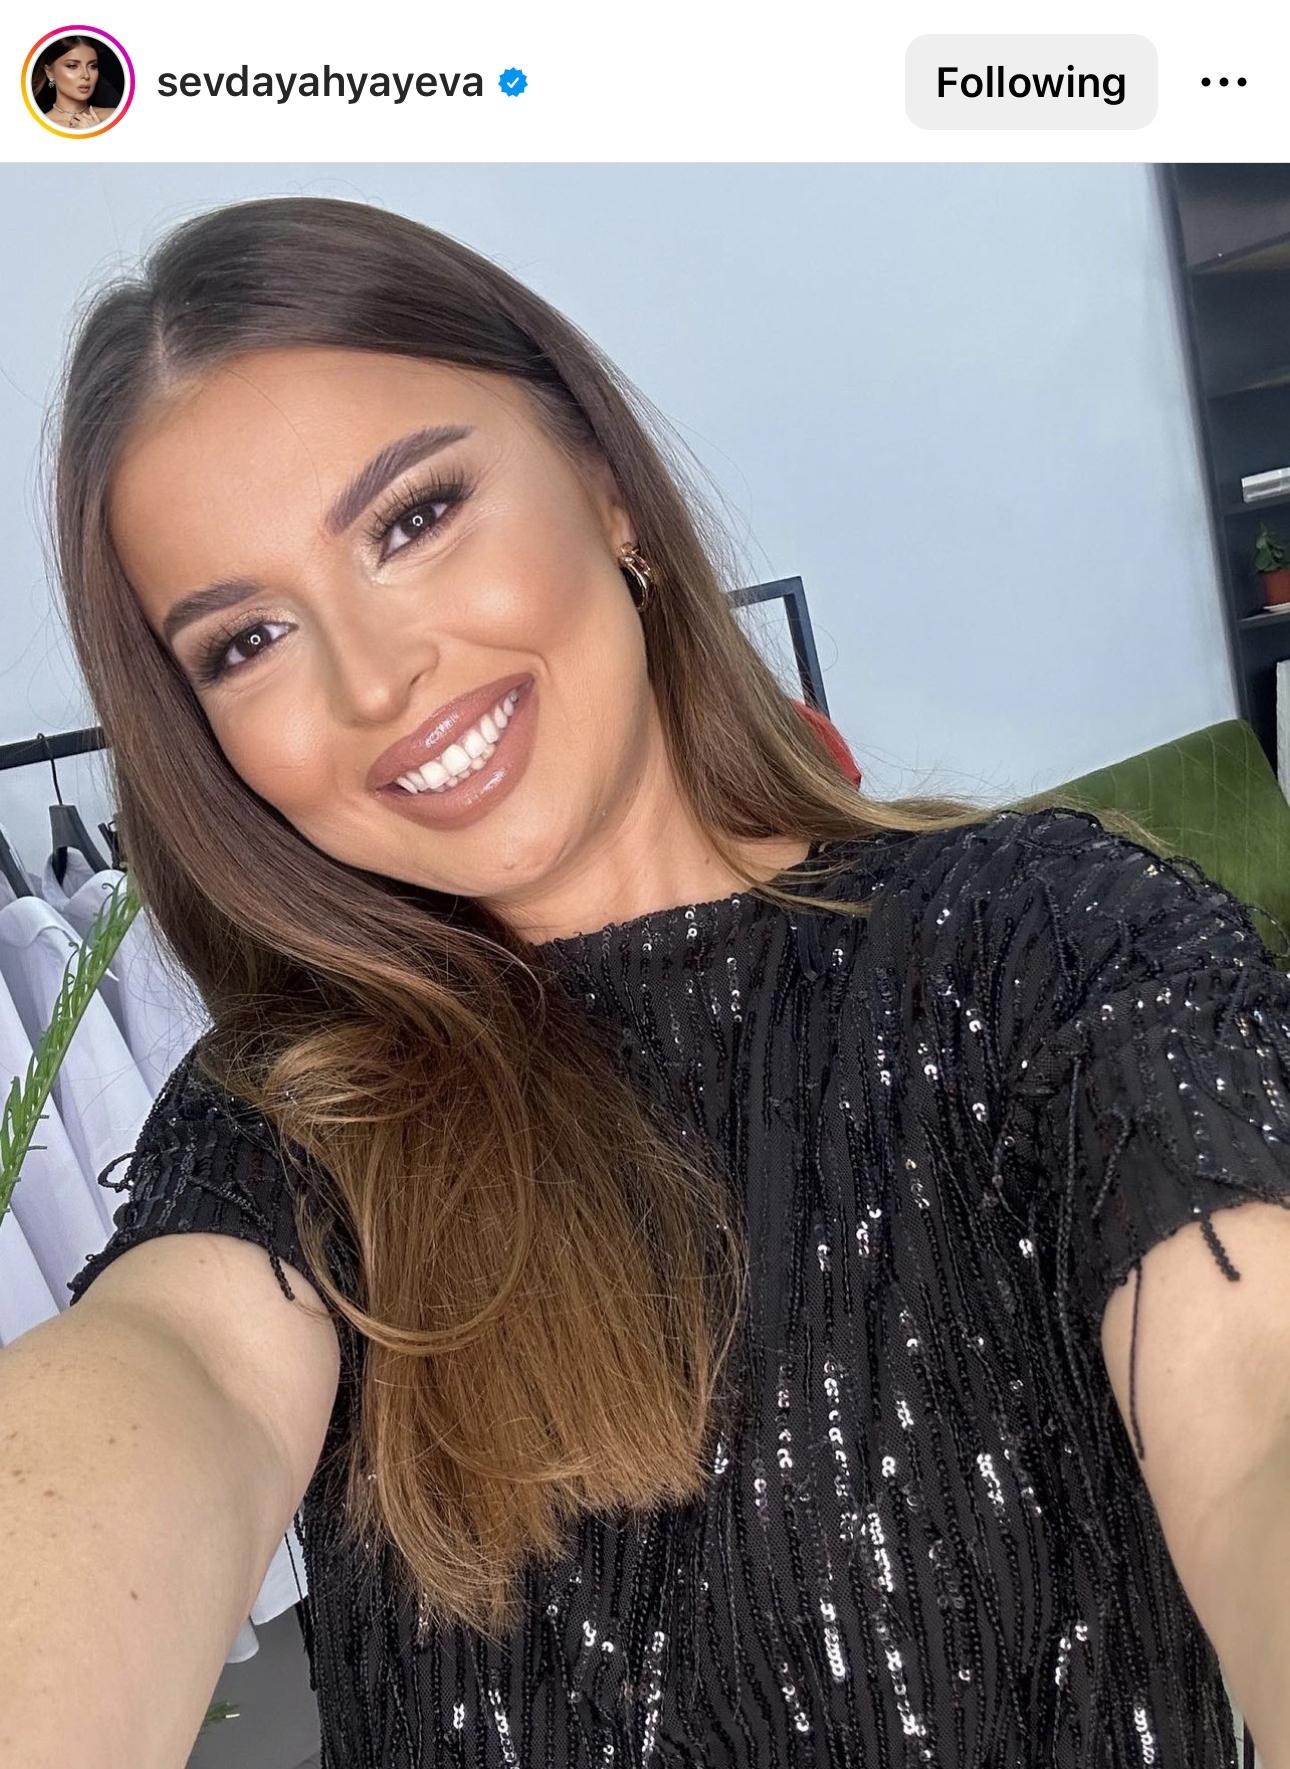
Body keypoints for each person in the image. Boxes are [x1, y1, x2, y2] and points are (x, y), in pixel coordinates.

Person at [4, 194, 1289, 1767]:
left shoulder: (1052, 946)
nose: (374, 681)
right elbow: (168, 1377)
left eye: (413, 518)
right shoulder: (289, 1131)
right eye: (248, 640)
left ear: (605, 487)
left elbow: (1257, 1411)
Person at [36, 36, 118, 130]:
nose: (86, 75)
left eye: (93, 66)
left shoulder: (115, 115)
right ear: (49, 72)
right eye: (72, 66)